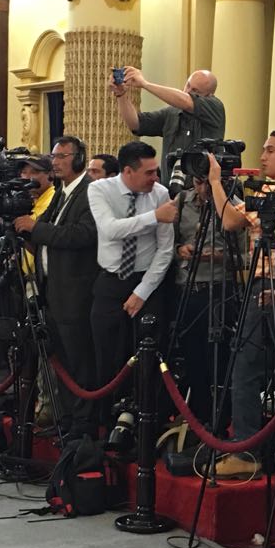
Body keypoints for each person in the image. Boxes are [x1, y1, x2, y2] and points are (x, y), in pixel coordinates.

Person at [206, 129, 275, 477]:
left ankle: (245, 450)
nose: (262, 156)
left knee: (246, 366)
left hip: (267, 285)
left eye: (270, 150)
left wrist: (215, 181)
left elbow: (229, 221)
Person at [14, 135, 99, 436]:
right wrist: (24, 231)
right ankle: (66, 421)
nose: (56, 162)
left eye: (63, 156)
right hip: (52, 291)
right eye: (54, 156)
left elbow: (82, 234)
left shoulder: (90, 192)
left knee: (78, 363)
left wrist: (36, 228)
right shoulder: (62, 193)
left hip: (76, 293)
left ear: (79, 158)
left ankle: (83, 426)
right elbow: (45, 234)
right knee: (60, 360)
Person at [87, 141, 176, 412]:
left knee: (147, 359)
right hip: (110, 281)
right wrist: (154, 216)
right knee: (107, 356)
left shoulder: (160, 193)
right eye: (149, 172)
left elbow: (165, 250)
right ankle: (107, 421)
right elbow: (110, 230)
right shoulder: (99, 189)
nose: (155, 178)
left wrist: (142, 292)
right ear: (128, 171)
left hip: (148, 284)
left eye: (156, 171)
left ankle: (144, 420)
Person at [168, 175, 243, 422]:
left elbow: (247, 257)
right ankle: (198, 417)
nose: (203, 189)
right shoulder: (182, 201)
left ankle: (221, 418)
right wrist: (180, 250)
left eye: (208, 183)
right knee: (192, 358)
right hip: (187, 288)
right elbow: (166, 243)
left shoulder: (235, 207)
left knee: (219, 357)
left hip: (220, 289)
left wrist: (220, 257)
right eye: (198, 182)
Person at [109, 68, 225, 190]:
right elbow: (135, 123)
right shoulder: (172, 113)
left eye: (195, 91)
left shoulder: (215, 108)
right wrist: (121, 94)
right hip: (169, 192)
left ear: (209, 96)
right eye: (188, 85)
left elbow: (186, 101)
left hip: (202, 193)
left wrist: (145, 84)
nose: (188, 91)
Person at [19, 155, 54, 275]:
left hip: (43, 274)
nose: (27, 177)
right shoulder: (29, 200)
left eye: (34, 172)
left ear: (50, 175)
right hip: (27, 274)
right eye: (24, 172)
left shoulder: (52, 200)